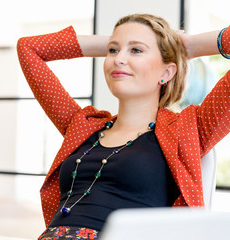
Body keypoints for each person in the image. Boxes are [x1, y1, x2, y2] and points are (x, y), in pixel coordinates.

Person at [17, 13, 230, 239]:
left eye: (136, 50)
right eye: (113, 51)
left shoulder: (188, 129)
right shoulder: (82, 125)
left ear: (167, 72)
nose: (118, 59)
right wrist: (117, 42)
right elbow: (28, 48)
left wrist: (191, 45)